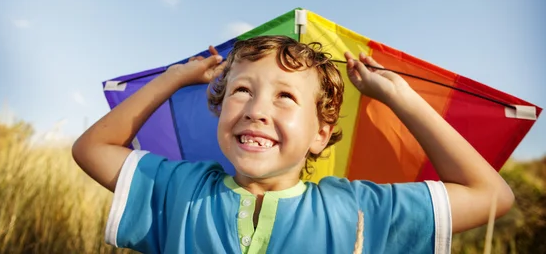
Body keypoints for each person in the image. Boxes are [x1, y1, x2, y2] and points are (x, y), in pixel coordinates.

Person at [72, 35, 514, 254]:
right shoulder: (179, 190)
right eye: (241, 91)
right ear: (220, 110)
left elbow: (490, 195)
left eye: (285, 96)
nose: (256, 110)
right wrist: (174, 78)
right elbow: (92, 148)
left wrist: (400, 97)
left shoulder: (359, 210)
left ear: (320, 135)